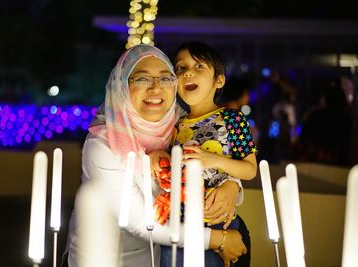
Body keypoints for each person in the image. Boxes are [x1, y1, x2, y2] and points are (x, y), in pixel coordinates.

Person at [64, 44, 247, 267]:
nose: (155, 88)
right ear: (121, 86)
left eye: (165, 78)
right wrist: (218, 240)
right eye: (141, 79)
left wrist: (231, 185)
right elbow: (140, 223)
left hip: (164, 256)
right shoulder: (103, 144)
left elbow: (214, 155)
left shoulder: (180, 124)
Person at [153, 42, 257, 267]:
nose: (188, 72)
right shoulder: (176, 125)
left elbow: (250, 169)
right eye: (180, 69)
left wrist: (213, 160)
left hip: (218, 223)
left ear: (218, 80)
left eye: (199, 66)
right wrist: (160, 155)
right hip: (179, 222)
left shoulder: (233, 119)